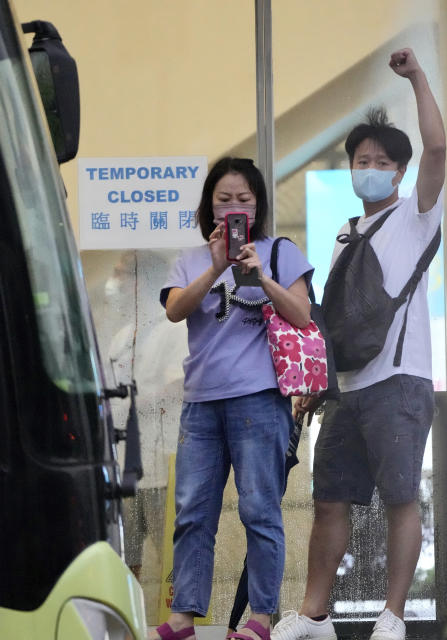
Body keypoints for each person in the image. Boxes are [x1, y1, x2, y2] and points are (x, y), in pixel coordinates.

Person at [271, 47, 446, 640]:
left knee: (400, 497)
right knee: (329, 500)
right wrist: (318, 386)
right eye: (360, 160)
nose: (368, 168)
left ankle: (391, 616)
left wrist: (418, 78)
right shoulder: (346, 233)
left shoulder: (415, 215)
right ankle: (315, 615)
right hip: (348, 390)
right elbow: (337, 323)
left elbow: (439, 150)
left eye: (380, 161)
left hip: (399, 382)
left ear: (398, 172)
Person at [153, 157, 314, 640]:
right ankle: (184, 614)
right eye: (224, 200)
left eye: (243, 199)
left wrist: (260, 276)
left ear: (258, 204)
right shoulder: (189, 258)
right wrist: (218, 265)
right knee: (193, 510)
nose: (234, 207)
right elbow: (176, 311)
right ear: (208, 206)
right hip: (201, 402)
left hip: (260, 400)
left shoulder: (279, 251)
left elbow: (303, 315)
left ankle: (260, 617)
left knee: (259, 509)